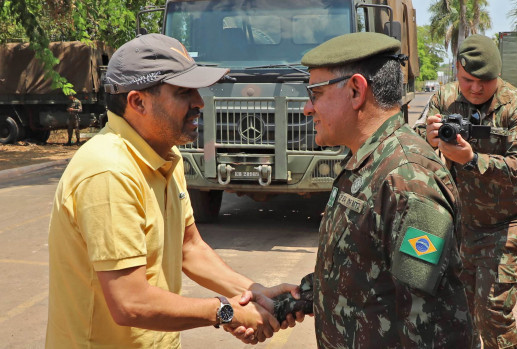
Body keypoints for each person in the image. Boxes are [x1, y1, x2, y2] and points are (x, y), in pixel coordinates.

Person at [45, 33, 299, 348]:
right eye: (183, 93)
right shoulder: (108, 171)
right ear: (138, 101)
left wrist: (254, 291)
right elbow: (130, 303)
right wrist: (224, 311)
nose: (199, 103)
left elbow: (189, 248)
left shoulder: (166, 152)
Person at [232, 32, 476, 348]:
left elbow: (432, 324)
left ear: (356, 90)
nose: (307, 108)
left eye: (315, 94)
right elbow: (366, 270)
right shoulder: (370, 163)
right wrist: (293, 301)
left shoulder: (408, 182)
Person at [414, 34, 517, 349]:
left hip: (507, 221)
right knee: (459, 308)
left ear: (497, 75)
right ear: (457, 72)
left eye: (484, 81)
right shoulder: (443, 99)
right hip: (459, 222)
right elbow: (412, 142)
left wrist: (471, 160)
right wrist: (426, 139)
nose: (474, 88)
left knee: (491, 310)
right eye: (467, 80)